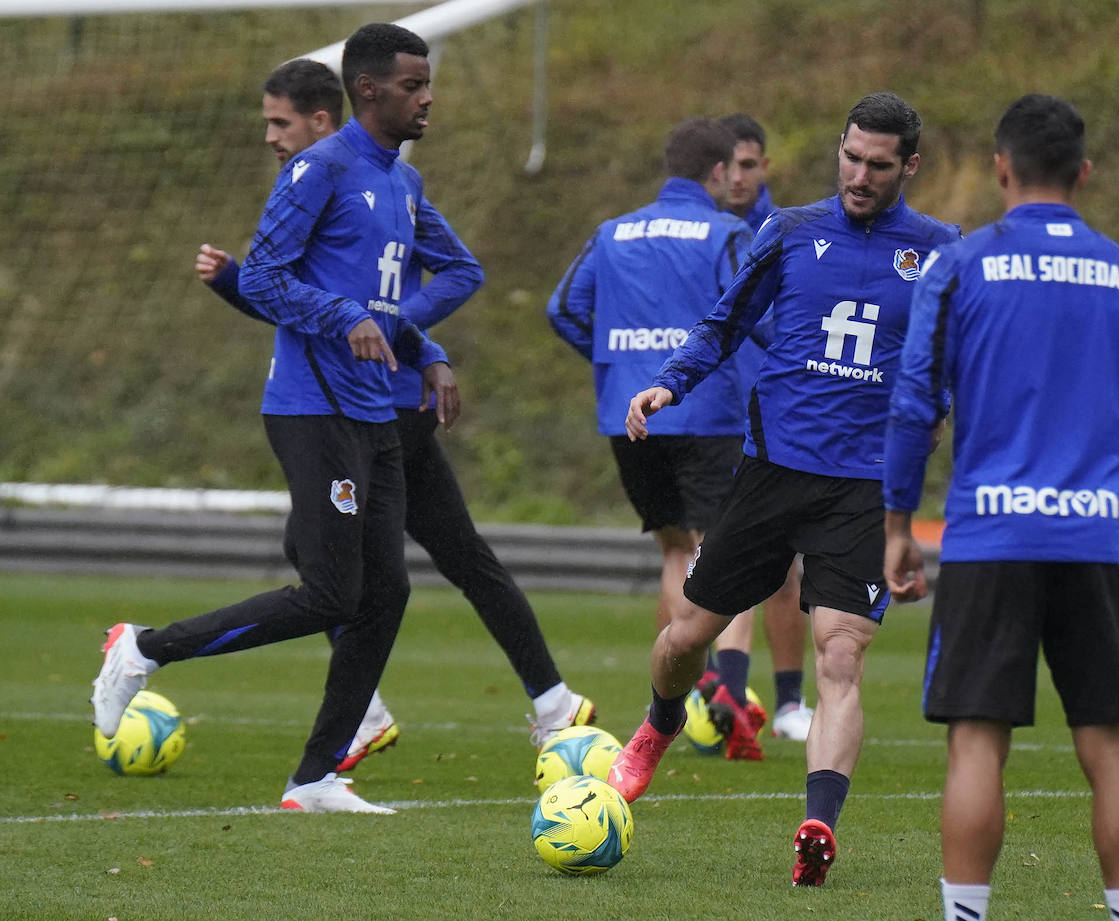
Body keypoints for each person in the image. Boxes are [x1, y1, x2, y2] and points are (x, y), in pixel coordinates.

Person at [92, 22, 466, 814]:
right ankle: (144, 649)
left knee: (387, 592)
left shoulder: (401, 183)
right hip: (311, 405)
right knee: (333, 593)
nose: (426, 96)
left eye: (426, 83)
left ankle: (315, 777)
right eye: (412, 84)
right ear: (368, 90)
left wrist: (425, 348)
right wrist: (340, 315)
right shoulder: (318, 170)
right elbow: (260, 275)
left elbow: (391, 294)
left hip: (373, 411)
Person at [608, 92, 961, 886]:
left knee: (841, 655)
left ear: (909, 165)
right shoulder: (792, 231)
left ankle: (817, 827)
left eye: (878, 164)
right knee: (685, 637)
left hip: (865, 489)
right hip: (771, 473)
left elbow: (965, 358)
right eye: (850, 157)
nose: (860, 176)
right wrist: (669, 384)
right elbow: (723, 323)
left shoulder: (942, 251)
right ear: (838, 149)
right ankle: (658, 726)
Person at [196, 63, 594, 766]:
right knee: (416, 558)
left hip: (380, 401)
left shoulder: (365, 179)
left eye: (280, 122)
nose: (270, 138)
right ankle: (543, 698)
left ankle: (404, 710)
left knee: (350, 566)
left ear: (324, 119)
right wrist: (247, 287)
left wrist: (399, 329)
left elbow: (392, 292)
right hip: (367, 391)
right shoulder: (331, 181)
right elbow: (311, 304)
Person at [882, 93, 1119, 921]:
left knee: (978, 742)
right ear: (1084, 175)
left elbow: (915, 405)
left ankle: (966, 915)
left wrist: (897, 526)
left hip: (989, 537)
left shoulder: (961, 267)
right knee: (1112, 748)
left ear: (1000, 168)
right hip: (1093, 539)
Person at [547, 118, 766, 761]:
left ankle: (687, 696)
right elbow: (755, 313)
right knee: (731, 548)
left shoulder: (612, 233)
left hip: (627, 414)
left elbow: (564, 307)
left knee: (677, 548)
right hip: (705, 411)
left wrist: (614, 362)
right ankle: (729, 693)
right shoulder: (728, 232)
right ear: (720, 172)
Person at [702, 112, 813, 744]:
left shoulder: (789, 234)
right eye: (728, 167)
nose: (738, 177)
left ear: (763, 166)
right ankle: (714, 693)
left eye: (749, 165)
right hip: (717, 421)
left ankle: (790, 702)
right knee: (717, 558)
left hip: (780, 419)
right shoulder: (705, 235)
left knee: (787, 567)